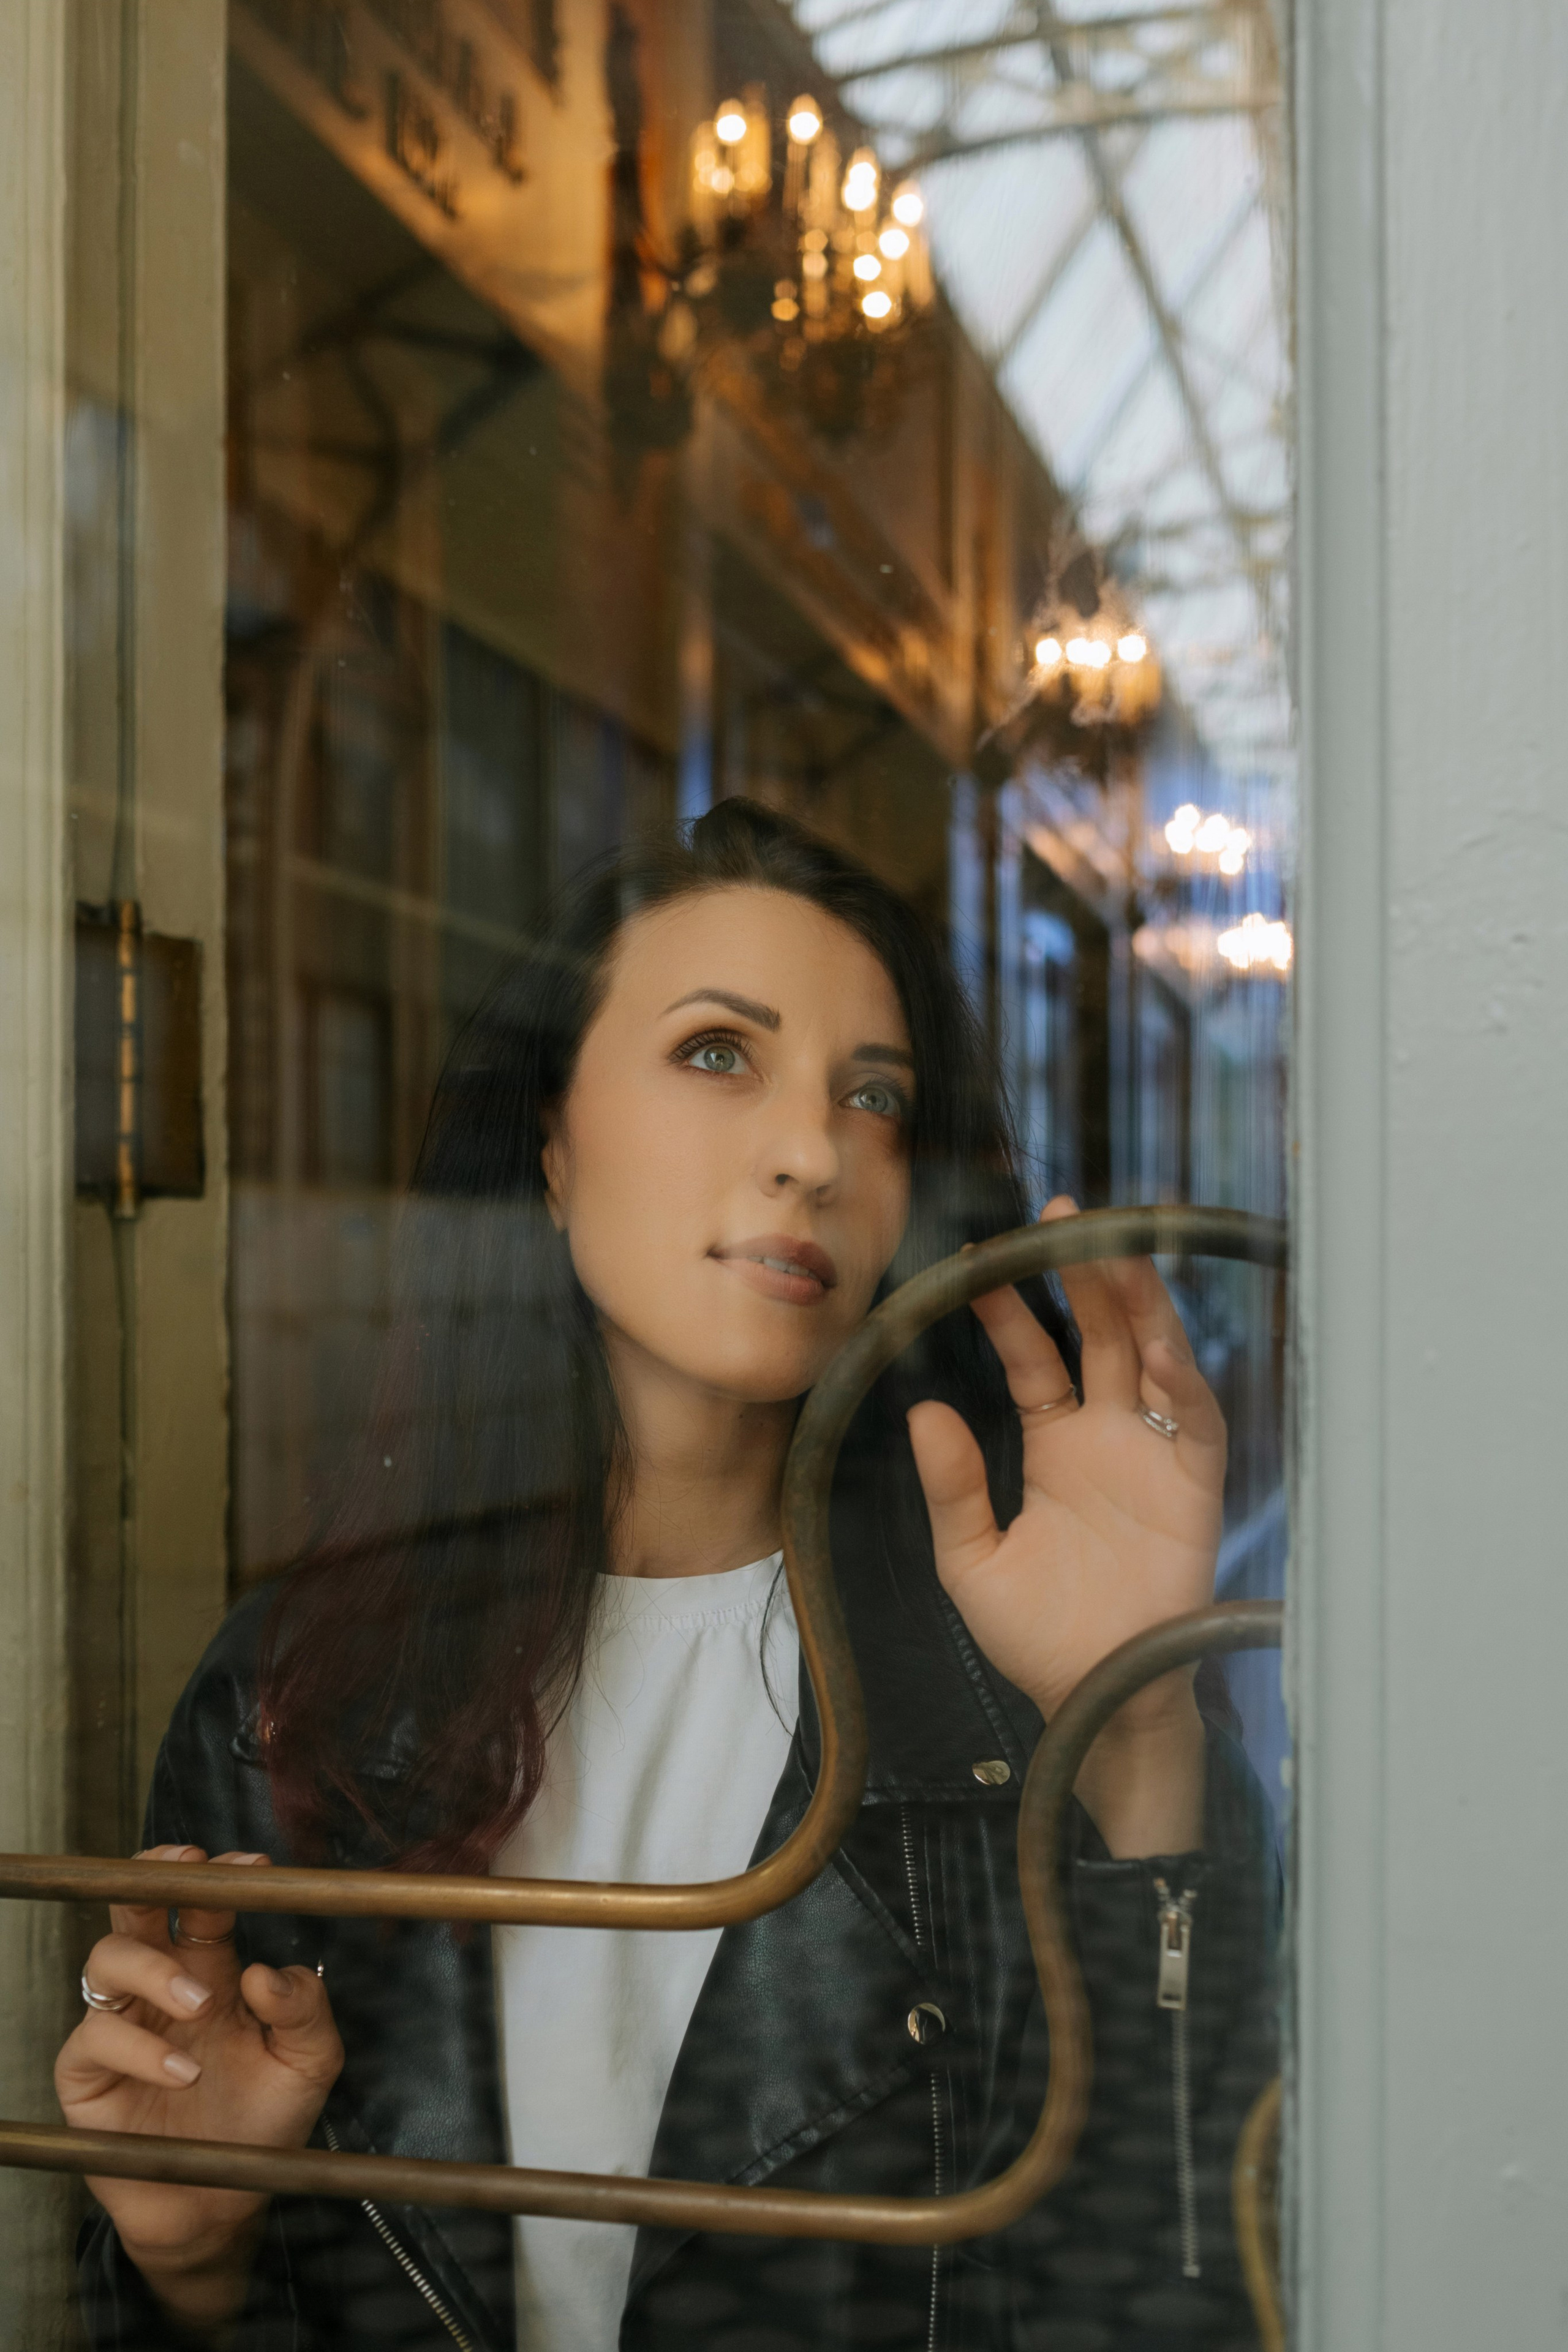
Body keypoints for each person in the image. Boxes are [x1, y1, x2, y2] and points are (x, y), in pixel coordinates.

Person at [61, 801, 1276, 2350]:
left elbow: (1184, 2272)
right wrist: (194, 2262)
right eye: (717, 1051)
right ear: (551, 1147)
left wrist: (1136, 1731)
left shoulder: (1021, 1653)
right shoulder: (290, 1699)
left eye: (875, 1097)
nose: (809, 1151)